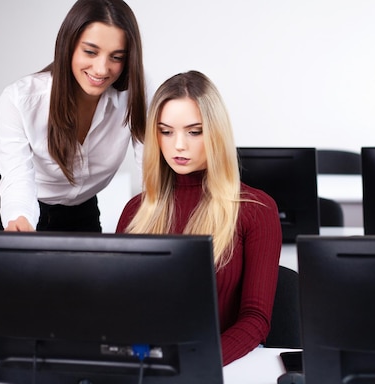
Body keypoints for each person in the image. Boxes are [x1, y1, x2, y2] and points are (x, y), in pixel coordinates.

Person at [116, 71, 282, 365]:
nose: (179, 145)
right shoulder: (135, 212)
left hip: (219, 368)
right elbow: (120, 311)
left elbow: (255, 321)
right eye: (166, 131)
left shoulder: (256, 210)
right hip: (147, 369)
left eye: (194, 131)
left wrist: (195, 363)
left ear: (216, 133)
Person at [0, 0, 146, 232]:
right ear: (68, 45)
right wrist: (20, 224)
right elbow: (18, 180)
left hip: (81, 211)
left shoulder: (136, 96)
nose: (102, 69)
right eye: (90, 52)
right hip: (19, 208)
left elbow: (151, 168)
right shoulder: (20, 99)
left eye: (116, 57)